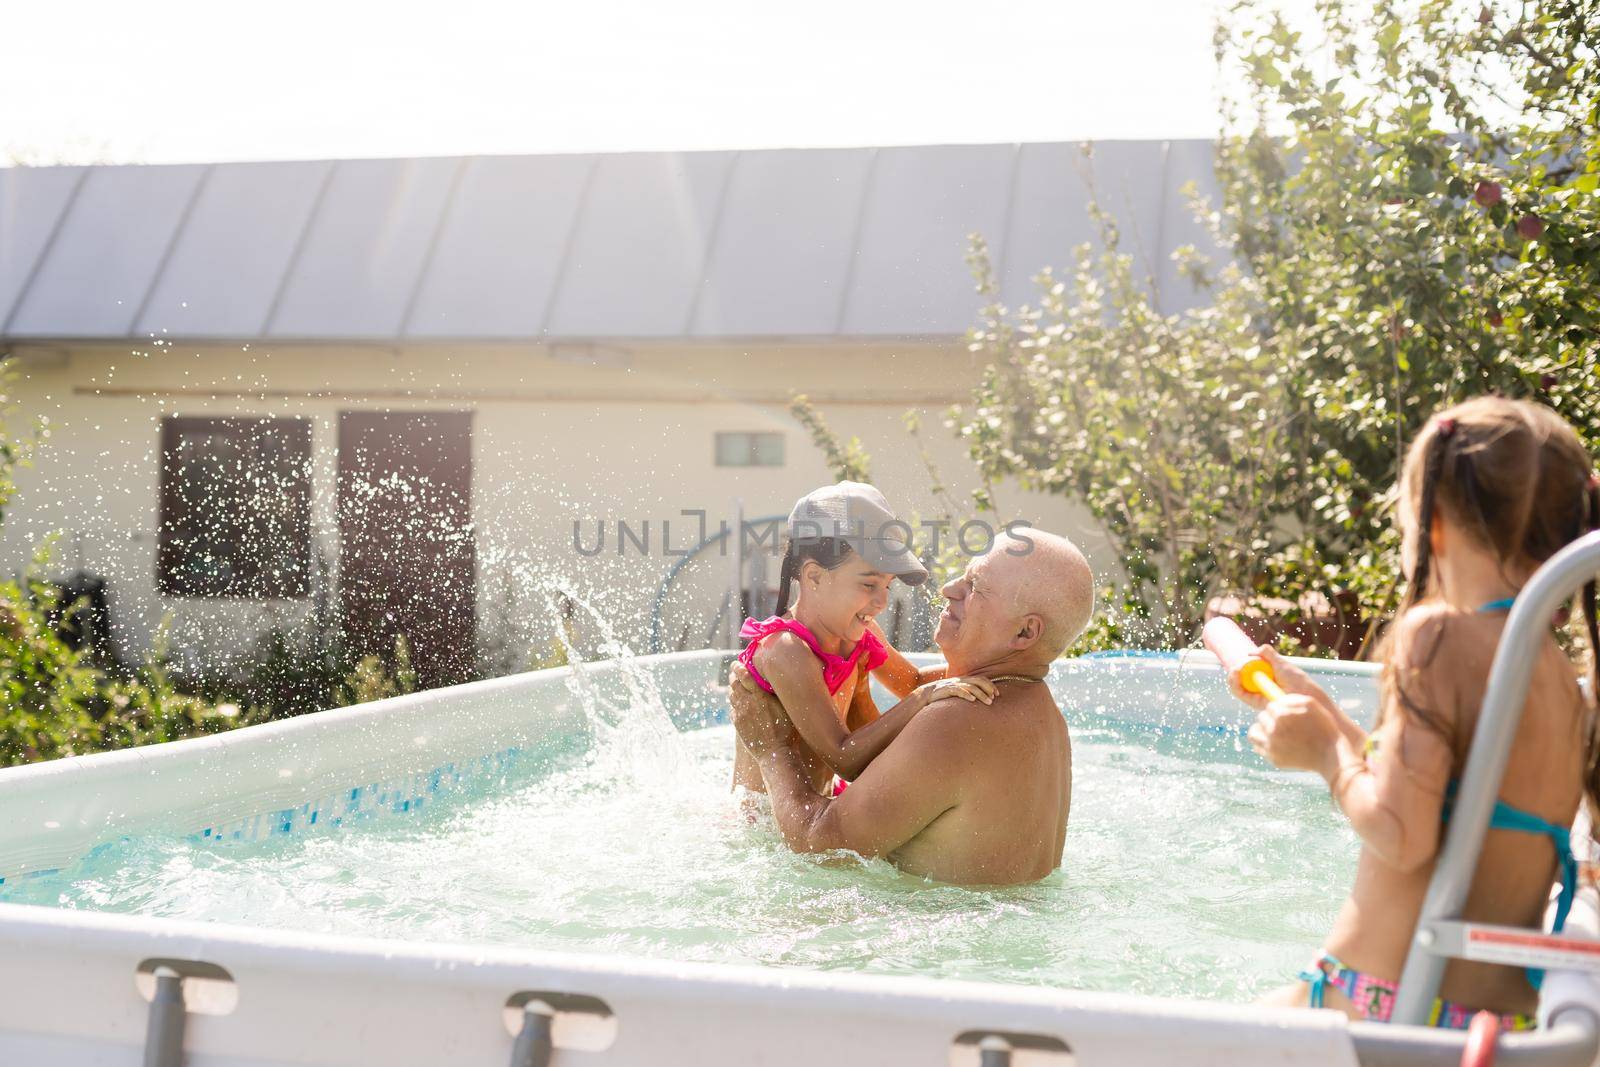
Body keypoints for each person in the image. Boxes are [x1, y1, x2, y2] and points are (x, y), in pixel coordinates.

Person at [1232, 397, 1599, 1029]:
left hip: (1382, 1007)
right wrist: (1328, 716)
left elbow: (1403, 836)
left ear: (1431, 524)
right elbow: (1454, 802)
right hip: (1489, 1020)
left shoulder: (1437, 635)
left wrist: (1324, 752)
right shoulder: (1557, 676)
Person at [731, 528, 1094, 885]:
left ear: (1025, 633)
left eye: (975, 587)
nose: (948, 589)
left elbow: (822, 849)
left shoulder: (957, 720)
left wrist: (771, 747)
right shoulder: (1046, 717)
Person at [731, 482, 997, 797]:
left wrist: (989, 669)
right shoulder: (785, 650)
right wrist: (926, 697)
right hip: (764, 825)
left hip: (819, 807)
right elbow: (844, 757)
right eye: (869, 584)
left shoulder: (861, 633)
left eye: (887, 585)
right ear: (814, 576)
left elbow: (910, 682)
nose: (882, 602)